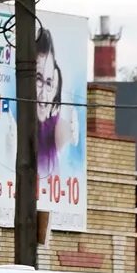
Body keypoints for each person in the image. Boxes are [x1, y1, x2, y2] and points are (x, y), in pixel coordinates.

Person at [34, 25, 79, 178]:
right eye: (38, 79)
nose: (44, 96)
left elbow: (63, 131)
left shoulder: (52, 129)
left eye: (49, 83)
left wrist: (71, 131)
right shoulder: (15, 127)